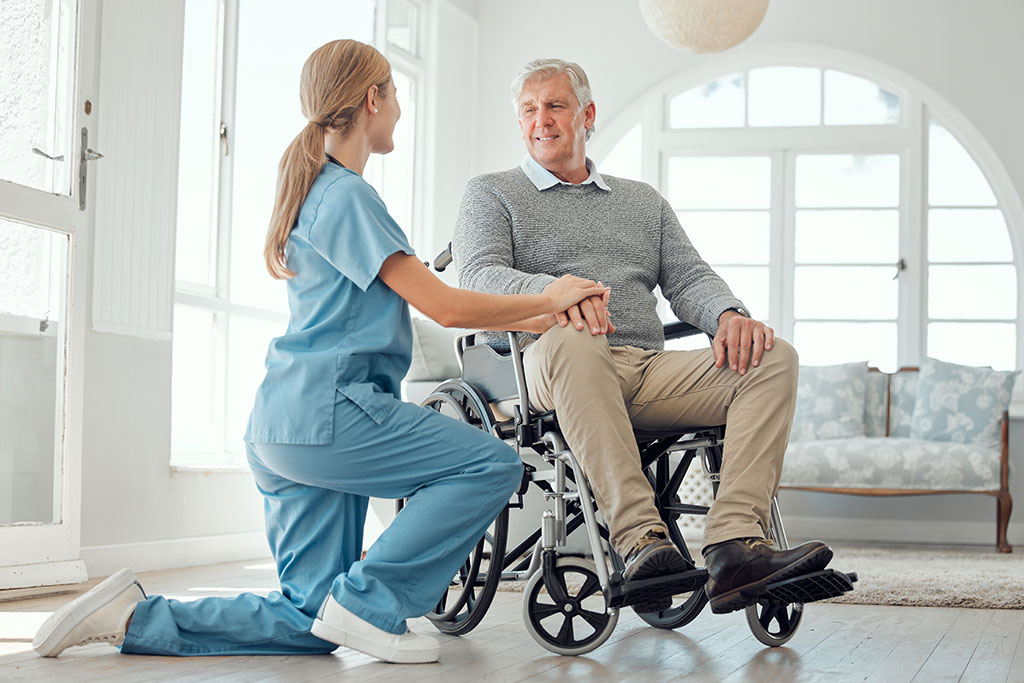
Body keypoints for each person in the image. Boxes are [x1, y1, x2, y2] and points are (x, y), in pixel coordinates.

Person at [32, 41, 609, 665]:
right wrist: (552, 301)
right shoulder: (348, 197)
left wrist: (545, 307)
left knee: (313, 620)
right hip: (330, 417)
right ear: (372, 99)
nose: (399, 110)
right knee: (492, 465)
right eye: (395, 94)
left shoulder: (322, 192)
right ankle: (371, 598)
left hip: (286, 428)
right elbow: (442, 306)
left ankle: (131, 618)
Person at [453, 58, 832, 615]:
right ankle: (640, 540)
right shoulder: (491, 193)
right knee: (574, 337)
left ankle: (734, 544)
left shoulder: (642, 202)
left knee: (771, 358)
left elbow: (690, 277)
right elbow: (478, 276)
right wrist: (560, 293)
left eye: (555, 105)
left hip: (641, 366)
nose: (541, 121)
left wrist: (728, 314)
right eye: (528, 110)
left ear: (587, 114)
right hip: (544, 362)